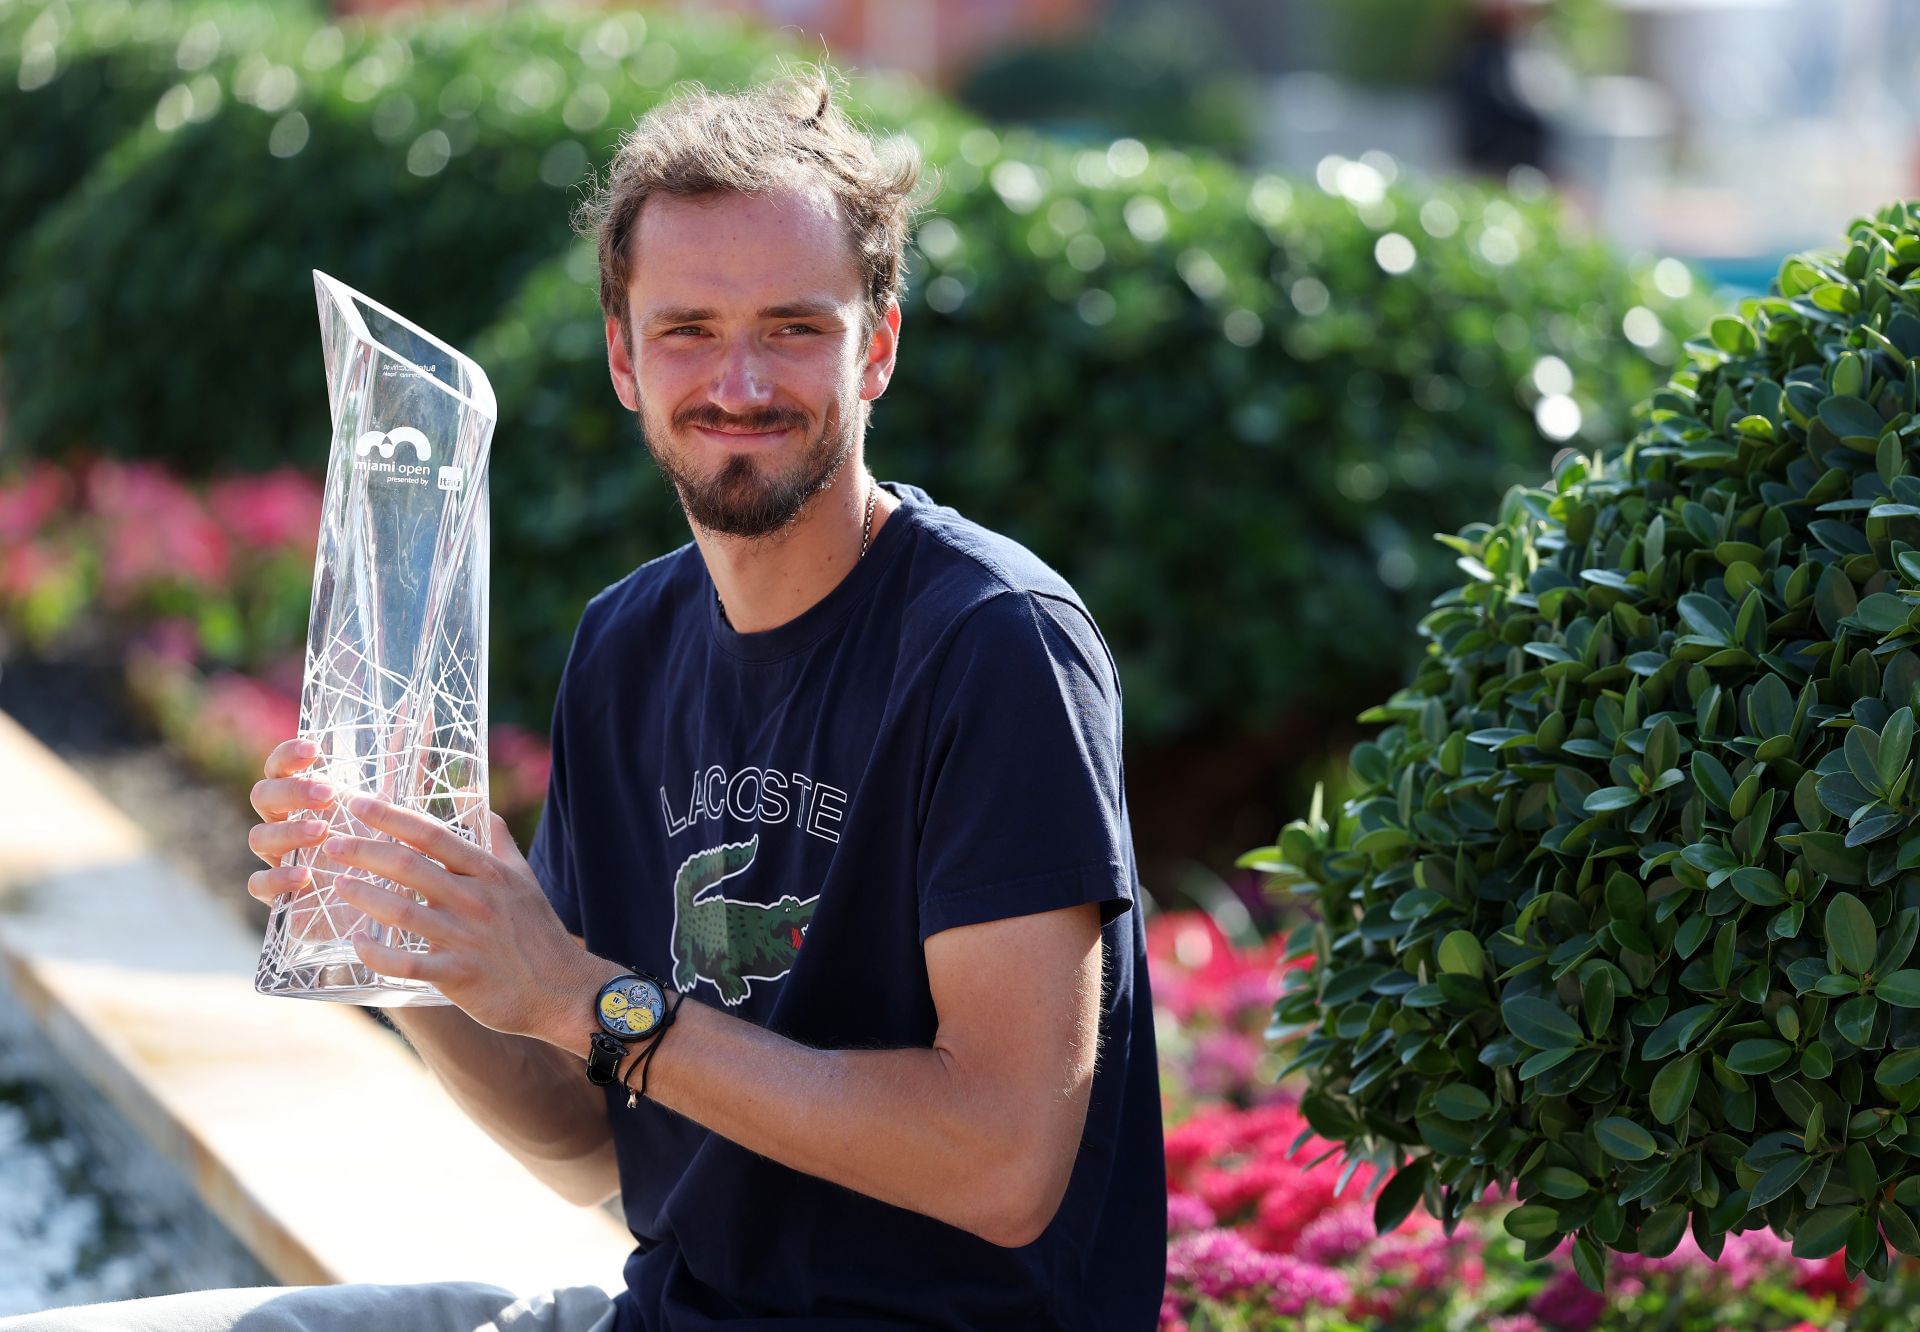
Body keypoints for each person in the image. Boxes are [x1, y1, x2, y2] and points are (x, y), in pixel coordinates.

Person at [6, 69, 1165, 1332]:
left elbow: (1004, 1161)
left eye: (793, 326)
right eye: (687, 329)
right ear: (623, 356)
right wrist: (418, 949)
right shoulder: (630, 643)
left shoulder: (995, 647)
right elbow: (590, 1146)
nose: (739, 381)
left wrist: (577, 993)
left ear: (876, 347)